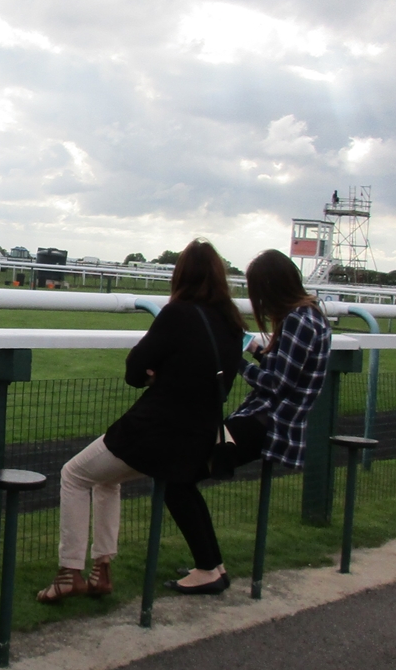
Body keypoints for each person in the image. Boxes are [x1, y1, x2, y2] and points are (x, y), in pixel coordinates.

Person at [37, 240, 245, 603]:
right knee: (107, 480)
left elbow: (135, 370)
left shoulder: (177, 313)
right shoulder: (232, 324)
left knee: (74, 475)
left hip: (154, 432)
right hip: (199, 435)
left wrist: (156, 374)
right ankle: (101, 571)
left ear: (181, 275)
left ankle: (69, 573)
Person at [229, 249, 333, 480]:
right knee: (188, 466)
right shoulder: (312, 315)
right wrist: (255, 350)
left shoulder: (298, 320)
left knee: (187, 464)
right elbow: (290, 370)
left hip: (268, 424)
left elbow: (279, 384)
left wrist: (236, 362)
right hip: (272, 424)